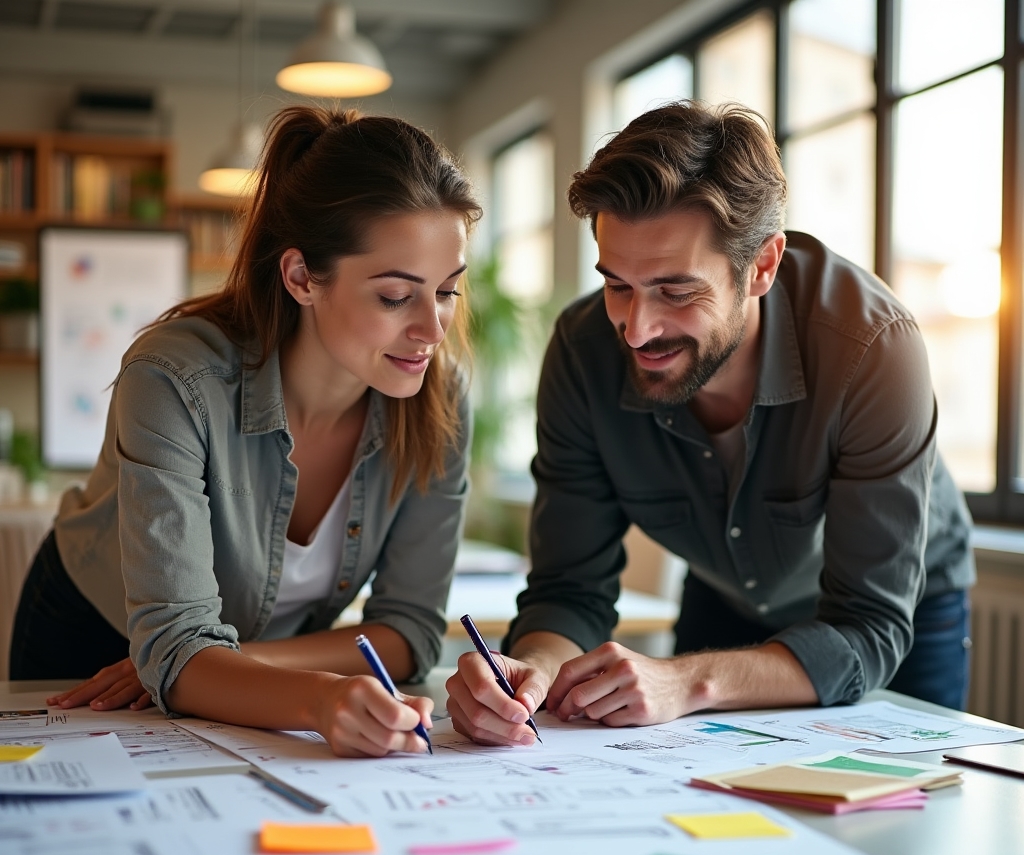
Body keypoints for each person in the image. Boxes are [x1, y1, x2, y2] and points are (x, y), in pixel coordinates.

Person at [446, 101, 974, 747]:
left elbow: (866, 627)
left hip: (892, 614)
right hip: (727, 591)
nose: (636, 330)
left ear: (762, 267)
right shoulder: (583, 353)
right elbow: (569, 588)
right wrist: (530, 673)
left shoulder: (872, 347)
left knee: (892, 824)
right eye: (617, 285)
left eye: (675, 290)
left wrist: (687, 682)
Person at [10, 106, 479, 757]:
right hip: (96, 651)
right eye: (396, 296)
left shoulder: (440, 396)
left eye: (449, 291)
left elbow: (409, 631)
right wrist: (311, 695)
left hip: (236, 671)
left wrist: (230, 669)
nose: (434, 329)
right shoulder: (176, 377)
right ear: (300, 278)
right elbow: (174, 645)